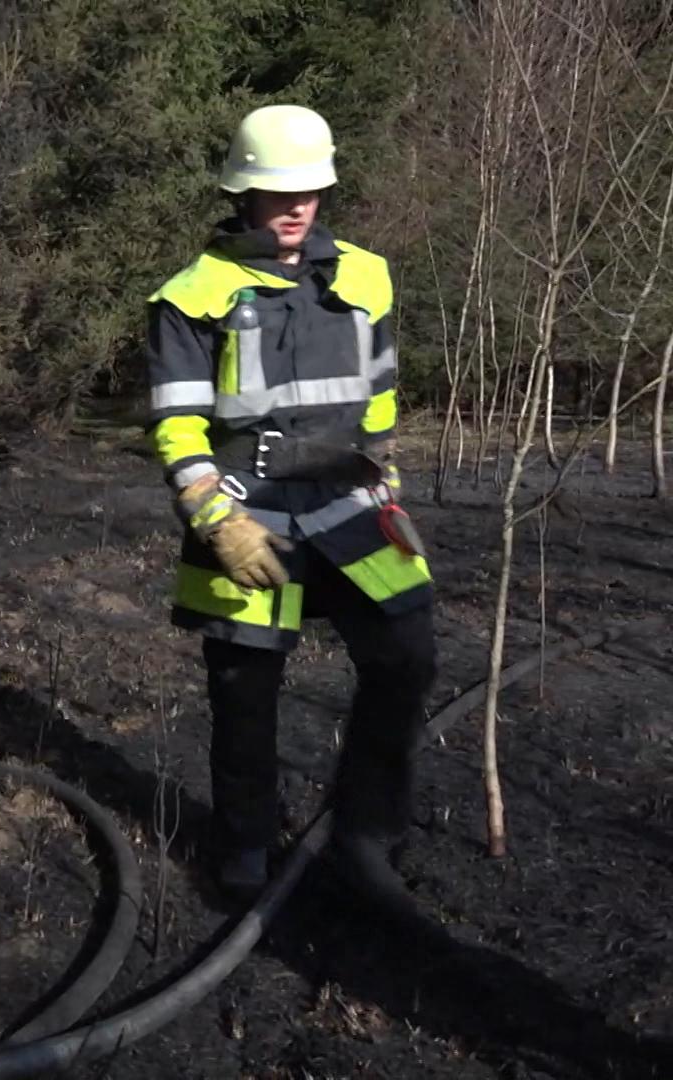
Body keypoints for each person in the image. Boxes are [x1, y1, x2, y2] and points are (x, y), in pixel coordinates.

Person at [143, 104, 437, 914]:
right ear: (243, 193)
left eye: (309, 189)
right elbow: (175, 425)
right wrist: (215, 518)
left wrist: (388, 485)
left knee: (407, 651)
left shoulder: (366, 276)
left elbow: (378, 397)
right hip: (246, 509)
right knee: (245, 687)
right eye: (277, 192)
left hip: (349, 501)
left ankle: (366, 837)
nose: (296, 205)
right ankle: (243, 840)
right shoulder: (190, 297)